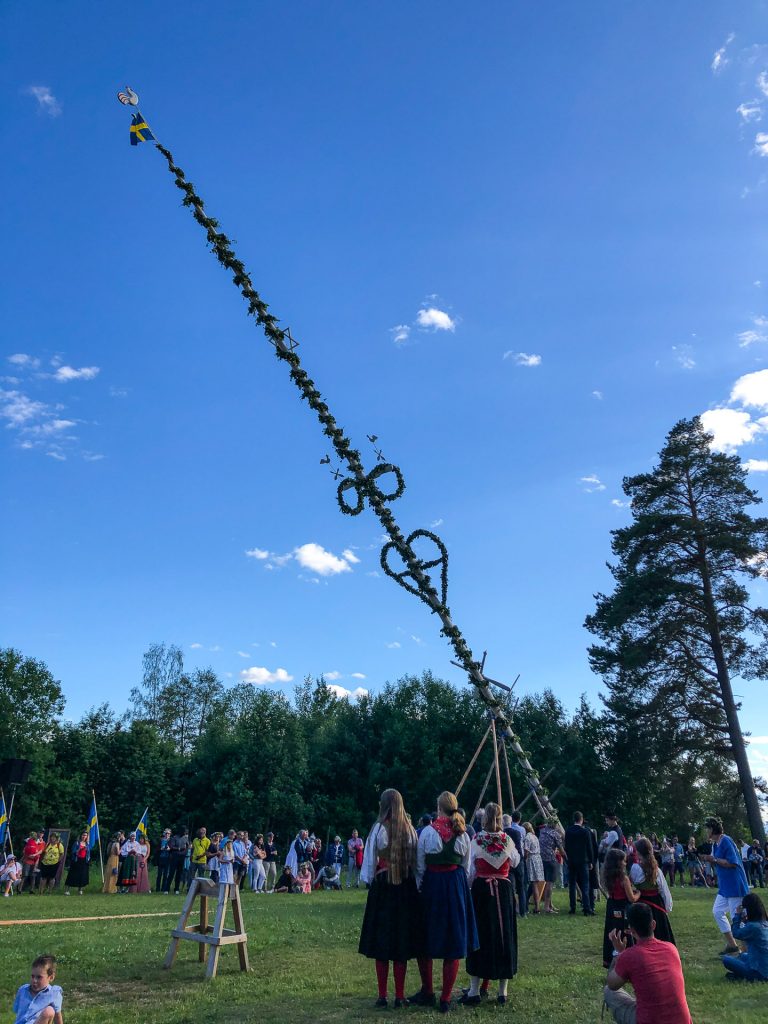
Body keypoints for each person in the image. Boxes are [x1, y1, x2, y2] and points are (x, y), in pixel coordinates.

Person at [412, 790, 478, 1013]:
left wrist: (422, 888)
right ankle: (446, 998)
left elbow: (419, 866)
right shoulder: (464, 834)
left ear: (438, 807)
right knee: (454, 940)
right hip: (455, 886)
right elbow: (467, 867)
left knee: (426, 938)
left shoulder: (428, 833)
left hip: (433, 885)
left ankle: (428, 991)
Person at [359, 788, 422, 1009]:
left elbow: (369, 860)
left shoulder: (377, 829)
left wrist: (368, 881)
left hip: (384, 887)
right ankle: (400, 995)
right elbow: (416, 863)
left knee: (382, 941)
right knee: (401, 941)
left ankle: (383, 995)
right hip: (404, 888)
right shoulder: (411, 830)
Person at [462, 801, 519, 1006]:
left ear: (484, 817)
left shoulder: (477, 839)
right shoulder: (507, 839)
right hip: (503, 890)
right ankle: (502, 992)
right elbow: (516, 861)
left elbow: (469, 869)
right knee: (505, 935)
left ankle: (474, 991)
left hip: (481, 890)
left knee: (480, 935)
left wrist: (470, 886)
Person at [604, 902, 692, 1024]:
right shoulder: (671, 949)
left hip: (649, 1019)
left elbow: (612, 984)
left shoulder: (629, 956)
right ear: (653, 924)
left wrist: (618, 954)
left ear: (631, 930)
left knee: (608, 992)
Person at [700, 815, 750, 955]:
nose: (705, 832)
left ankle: (746, 951)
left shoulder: (726, 840)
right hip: (725, 887)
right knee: (717, 912)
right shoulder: (716, 844)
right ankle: (732, 945)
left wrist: (714, 859)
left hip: (735, 886)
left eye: (707, 829)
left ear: (712, 829)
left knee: (738, 918)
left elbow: (732, 863)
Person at [628, 838, 675, 946]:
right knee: (660, 933)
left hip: (640, 904)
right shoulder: (656, 870)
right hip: (656, 904)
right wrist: (667, 908)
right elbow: (664, 890)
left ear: (638, 852)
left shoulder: (635, 868)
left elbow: (630, 884)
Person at [601, 847, 639, 968]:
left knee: (613, 931)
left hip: (612, 906)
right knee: (626, 932)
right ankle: (629, 960)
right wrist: (639, 893)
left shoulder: (607, 877)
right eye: (624, 861)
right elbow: (631, 898)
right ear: (618, 862)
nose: (625, 863)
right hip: (623, 907)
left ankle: (610, 959)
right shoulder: (624, 878)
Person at [721, 893, 768, 981]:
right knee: (743, 955)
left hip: (758, 971)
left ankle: (745, 976)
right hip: (764, 964)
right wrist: (746, 921)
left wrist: (738, 916)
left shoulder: (753, 927)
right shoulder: (764, 923)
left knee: (726, 959)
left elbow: (736, 933)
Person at [12, 954, 63, 1024]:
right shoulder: (23, 990)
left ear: (51, 977)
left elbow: (58, 1018)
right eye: (32, 976)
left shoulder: (53, 994)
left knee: (49, 1011)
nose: (34, 980)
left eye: (39, 977)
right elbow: (18, 1014)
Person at [564, 812, 595, 916]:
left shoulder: (568, 831)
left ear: (574, 819)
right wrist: (591, 861)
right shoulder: (585, 832)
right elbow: (589, 848)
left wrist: (568, 859)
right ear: (581, 819)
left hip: (572, 861)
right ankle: (587, 908)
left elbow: (566, 847)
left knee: (572, 885)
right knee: (585, 884)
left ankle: (572, 907)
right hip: (583, 861)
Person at [538, 818, 566, 914]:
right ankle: (547, 907)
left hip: (542, 860)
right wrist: (566, 858)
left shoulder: (542, 831)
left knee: (546, 882)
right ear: (555, 825)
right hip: (551, 860)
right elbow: (561, 849)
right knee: (550, 884)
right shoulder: (555, 834)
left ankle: (550, 904)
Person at [506, 811, 528, 918]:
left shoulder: (503, 833)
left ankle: (512, 910)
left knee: (511, 887)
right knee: (521, 887)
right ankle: (523, 911)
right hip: (519, 859)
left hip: (509, 860)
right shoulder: (521, 831)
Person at [522, 822, 545, 913]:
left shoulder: (527, 837)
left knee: (534, 883)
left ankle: (537, 907)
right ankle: (528, 901)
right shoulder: (534, 836)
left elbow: (526, 851)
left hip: (531, 859)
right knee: (534, 883)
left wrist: (524, 859)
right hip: (538, 858)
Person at [64, 831, 90, 896]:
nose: (84, 836)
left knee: (82, 875)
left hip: (84, 861)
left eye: (85, 835)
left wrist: (88, 858)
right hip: (76, 860)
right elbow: (73, 851)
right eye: (83, 835)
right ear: (81, 835)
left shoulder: (87, 844)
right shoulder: (77, 843)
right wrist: (79, 849)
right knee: (72, 875)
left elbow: (88, 853)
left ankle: (80, 890)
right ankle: (67, 890)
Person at [168, 827, 190, 895]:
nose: (185, 833)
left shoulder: (185, 838)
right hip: (174, 857)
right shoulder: (174, 838)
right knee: (171, 873)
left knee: (179, 874)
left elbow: (187, 846)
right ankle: (167, 888)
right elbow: (171, 847)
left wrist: (185, 852)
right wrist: (179, 849)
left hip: (182, 857)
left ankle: (176, 888)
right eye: (184, 832)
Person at [155, 829, 172, 893]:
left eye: (169, 833)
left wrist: (169, 849)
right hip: (161, 858)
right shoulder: (161, 840)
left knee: (165, 874)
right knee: (159, 874)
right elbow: (156, 849)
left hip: (167, 859)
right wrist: (160, 849)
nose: (167, 834)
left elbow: (173, 848)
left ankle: (163, 888)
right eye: (166, 833)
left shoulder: (171, 840)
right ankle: (157, 888)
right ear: (164, 833)